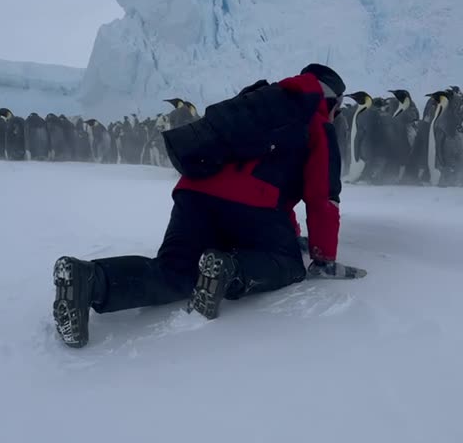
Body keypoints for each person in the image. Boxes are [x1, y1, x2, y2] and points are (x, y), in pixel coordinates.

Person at [53, 63, 366, 348]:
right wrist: (323, 258)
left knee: (173, 271)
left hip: (194, 194)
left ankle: (91, 278)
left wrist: (288, 230)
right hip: (252, 206)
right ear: (333, 101)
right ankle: (228, 270)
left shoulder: (255, 101)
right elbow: (321, 195)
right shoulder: (316, 122)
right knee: (288, 264)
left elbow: (267, 170)